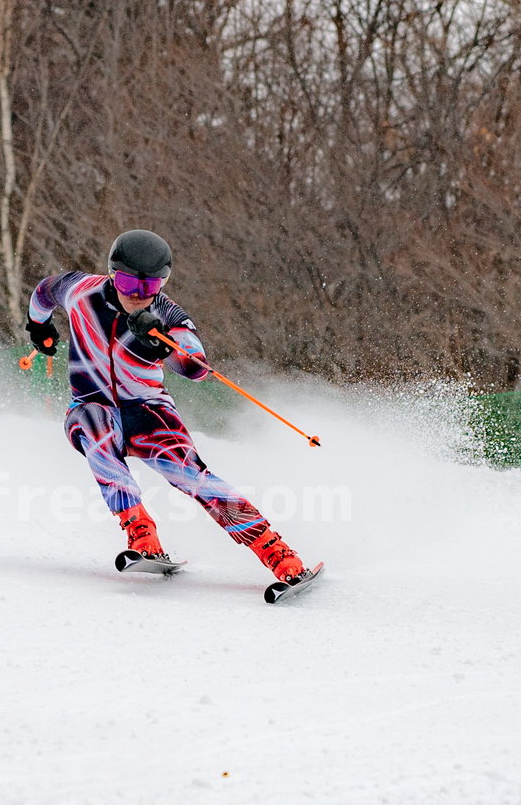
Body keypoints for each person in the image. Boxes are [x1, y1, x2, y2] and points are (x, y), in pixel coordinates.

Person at [27, 229, 312, 584]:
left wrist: (161, 345)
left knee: (190, 475)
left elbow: (194, 367)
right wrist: (38, 327)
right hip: (92, 403)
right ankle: (141, 531)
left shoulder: (167, 314)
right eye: (130, 284)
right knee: (95, 433)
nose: (138, 295)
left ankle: (276, 552)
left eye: (149, 287)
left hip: (147, 409)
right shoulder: (80, 291)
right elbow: (45, 291)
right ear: (114, 274)